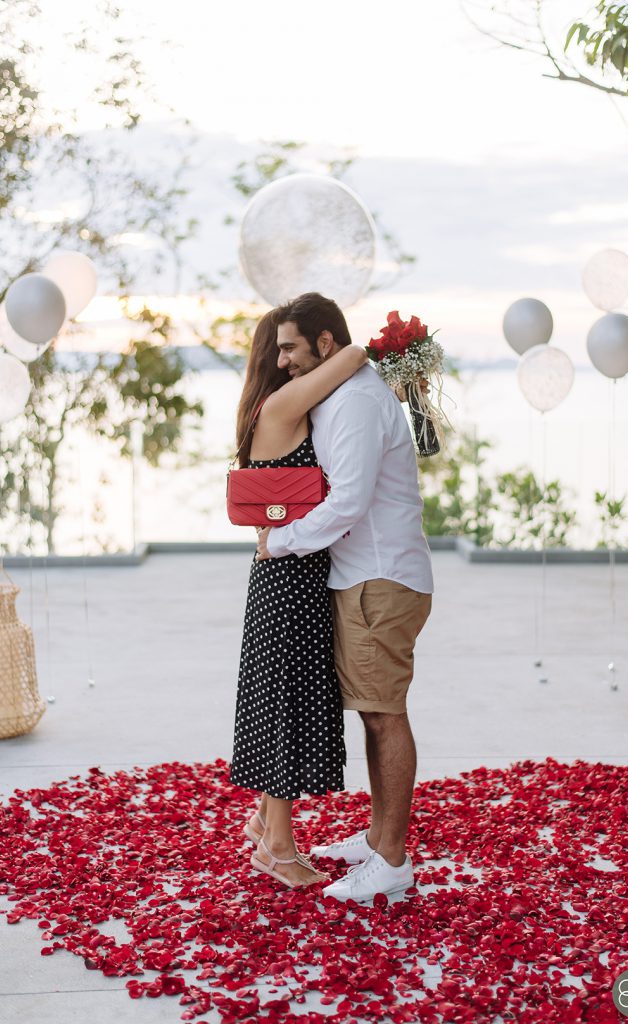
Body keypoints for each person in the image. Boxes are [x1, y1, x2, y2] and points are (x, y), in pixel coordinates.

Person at [256, 292, 434, 902]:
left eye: (291, 348)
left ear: (325, 344)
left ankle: (391, 860)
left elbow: (349, 502)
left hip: (379, 581)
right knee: (373, 711)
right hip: (363, 580)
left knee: (385, 717)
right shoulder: (341, 394)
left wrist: (280, 542)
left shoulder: (356, 402)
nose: (282, 362)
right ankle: (378, 836)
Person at [230, 307, 368, 889]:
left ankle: (265, 822)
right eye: (280, 352)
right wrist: (342, 342)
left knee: (287, 699)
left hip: (292, 576)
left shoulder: (278, 406)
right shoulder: (282, 405)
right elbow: (356, 355)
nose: (288, 361)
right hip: (289, 579)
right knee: (286, 706)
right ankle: (280, 850)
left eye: (293, 351)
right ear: (270, 358)